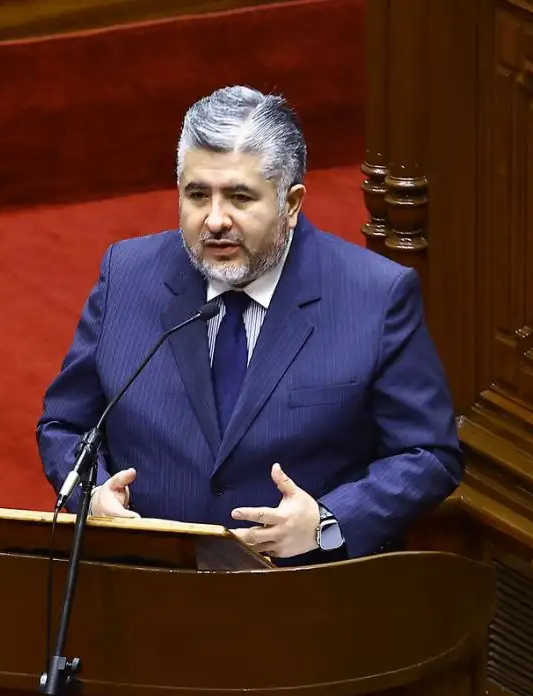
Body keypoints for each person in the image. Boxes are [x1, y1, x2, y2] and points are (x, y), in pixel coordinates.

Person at [34, 85, 461, 562]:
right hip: (147, 580)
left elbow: (428, 454)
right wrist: (90, 499)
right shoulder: (128, 275)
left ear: (292, 203)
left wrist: (327, 521)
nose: (215, 220)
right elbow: (64, 424)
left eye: (240, 196)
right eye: (198, 195)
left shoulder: (375, 296)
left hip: (300, 590)